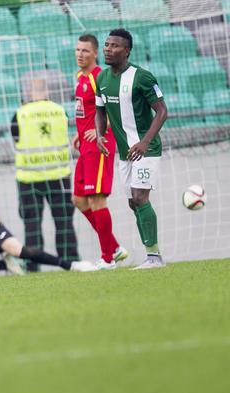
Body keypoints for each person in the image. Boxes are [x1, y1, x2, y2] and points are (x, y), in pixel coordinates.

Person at [95, 29, 168, 269]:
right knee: (132, 202)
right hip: (125, 153)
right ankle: (152, 255)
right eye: (106, 44)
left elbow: (162, 111)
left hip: (146, 149)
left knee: (139, 197)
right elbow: (100, 110)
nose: (108, 49)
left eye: (114, 45)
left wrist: (145, 142)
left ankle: (154, 258)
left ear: (127, 51)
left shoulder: (142, 77)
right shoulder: (102, 79)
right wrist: (99, 134)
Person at [71, 33, 129, 269]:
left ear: (95, 53)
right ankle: (114, 247)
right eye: (77, 50)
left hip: (99, 146)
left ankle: (108, 258)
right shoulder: (79, 77)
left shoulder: (100, 77)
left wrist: (101, 130)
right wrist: (80, 131)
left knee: (96, 200)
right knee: (78, 199)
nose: (80, 55)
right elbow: (87, 110)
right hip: (85, 146)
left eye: (85, 51)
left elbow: (114, 108)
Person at [11, 78, 79, 272]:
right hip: (59, 176)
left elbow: (16, 140)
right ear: (47, 92)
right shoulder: (60, 111)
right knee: (64, 222)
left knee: (32, 225)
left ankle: (33, 266)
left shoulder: (20, 114)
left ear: (29, 94)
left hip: (29, 179)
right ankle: (71, 261)